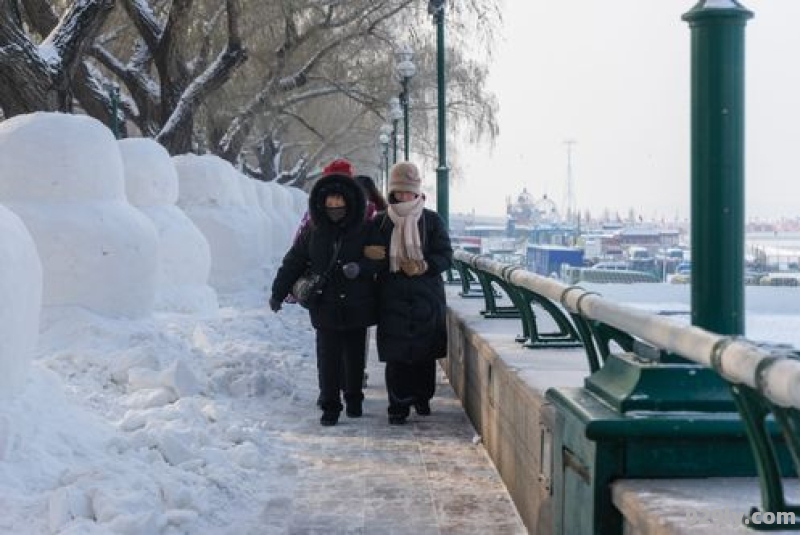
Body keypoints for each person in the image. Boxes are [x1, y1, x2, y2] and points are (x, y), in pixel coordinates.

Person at [269, 161, 384, 426]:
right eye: (330, 201)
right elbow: (294, 261)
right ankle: (330, 405)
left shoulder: (366, 229)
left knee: (355, 357)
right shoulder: (314, 231)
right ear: (322, 202)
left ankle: (354, 398)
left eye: (339, 201)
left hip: (357, 302)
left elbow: (380, 258)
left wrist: (362, 268)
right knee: (327, 357)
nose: (334, 206)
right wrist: (278, 292)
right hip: (325, 304)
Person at [370, 161, 453, 425]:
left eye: (409, 192)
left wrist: (423, 266)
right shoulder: (380, 222)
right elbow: (371, 257)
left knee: (423, 354)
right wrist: (374, 257)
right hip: (391, 296)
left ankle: (422, 397)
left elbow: (446, 256)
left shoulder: (431, 220)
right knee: (396, 356)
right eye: (399, 192)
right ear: (392, 192)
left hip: (425, 296)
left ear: (417, 192)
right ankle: (398, 405)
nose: (404, 196)